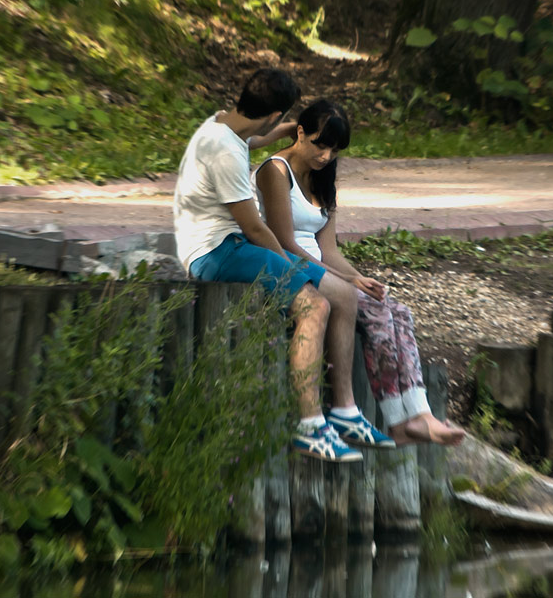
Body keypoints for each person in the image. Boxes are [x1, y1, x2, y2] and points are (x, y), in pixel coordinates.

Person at [174, 69, 393, 463]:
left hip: (227, 244)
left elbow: (249, 136)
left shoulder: (221, 125)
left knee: (343, 295)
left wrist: (277, 132)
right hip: (216, 251)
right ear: (276, 113)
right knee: (315, 305)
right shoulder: (228, 153)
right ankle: (310, 427)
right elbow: (255, 228)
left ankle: (343, 412)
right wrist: (291, 265)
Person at [253, 99, 466, 446]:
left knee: (395, 309)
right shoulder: (275, 172)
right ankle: (397, 421)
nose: (325, 156)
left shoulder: (323, 178)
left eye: (334, 150)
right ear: (301, 133)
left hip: (320, 266)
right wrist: (346, 282)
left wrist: (358, 278)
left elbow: (330, 248)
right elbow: (285, 243)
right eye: (320, 144)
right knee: (376, 312)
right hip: (287, 265)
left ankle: (419, 414)